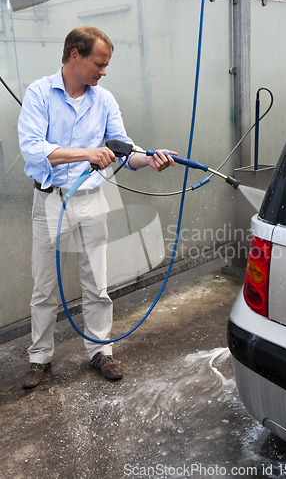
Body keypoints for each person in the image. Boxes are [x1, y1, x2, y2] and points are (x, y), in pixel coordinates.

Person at [18, 26, 177, 389]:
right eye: (99, 63)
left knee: (97, 284)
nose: (103, 72)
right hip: (50, 202)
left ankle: (100, 350)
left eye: (105, 66)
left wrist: (148, 159)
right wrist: (87, 153)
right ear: (75, 54)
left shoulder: (103, 100)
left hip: (91, 201)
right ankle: (39, 357)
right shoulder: (40, 93)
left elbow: (123, 149)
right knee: (44, 287)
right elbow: (33, 147)